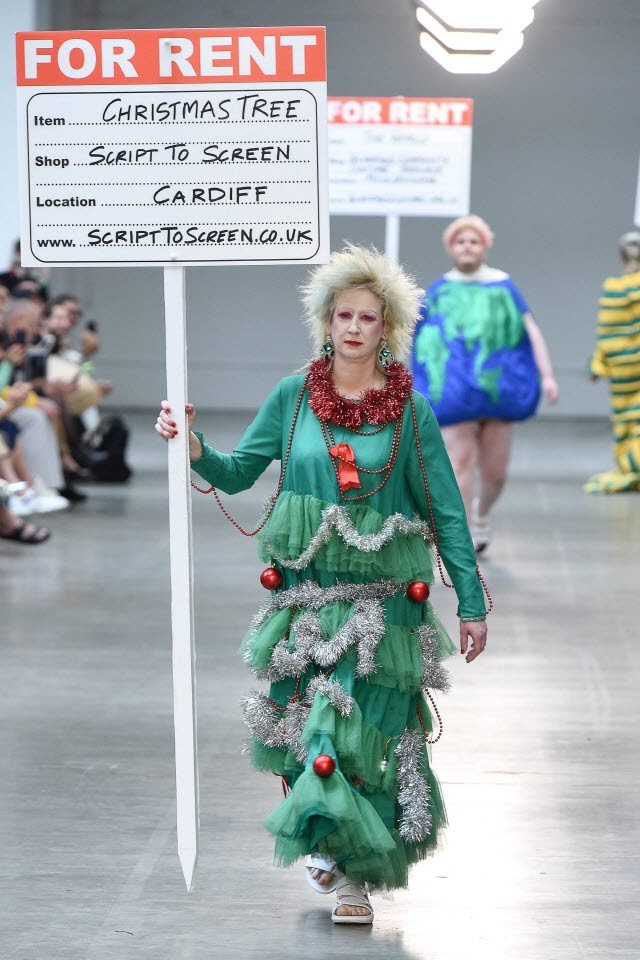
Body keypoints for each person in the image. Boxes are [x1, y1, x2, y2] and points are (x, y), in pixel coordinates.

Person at [155, 245, 490, 925]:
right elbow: (238, 471)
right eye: (344, 315)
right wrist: (190, 444)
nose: (355, 327)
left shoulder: (410, 411)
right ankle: (330, 849)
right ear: (326, 321)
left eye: (369, 317)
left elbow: (447, 512)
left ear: (387, 327)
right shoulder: (293, 397)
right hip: (305, 600)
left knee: (364, 737)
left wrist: (472, 601)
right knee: (305, 733)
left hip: (384, 609)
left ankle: (352, 879)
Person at [412, 215, 559, 551]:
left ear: (485, 247)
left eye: (473, 241)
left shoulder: (502, 285)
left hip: (499, 388)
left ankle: (481, 512)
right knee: (460, 461)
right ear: (450, 247)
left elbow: (530, 331)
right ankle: (462, 533)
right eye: (460, 241)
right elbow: (422, 341)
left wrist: (548, 375)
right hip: (453, 389)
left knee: (496, 473)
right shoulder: (438, 291)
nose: (467, 247)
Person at [585, 231, 640, 493]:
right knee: (625, 419)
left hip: (630, 365)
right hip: (623, 370)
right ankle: (630, 467)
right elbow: (607, 329)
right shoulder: (613, 287)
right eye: (630, 244)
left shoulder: (615, 286)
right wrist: (598, 362)